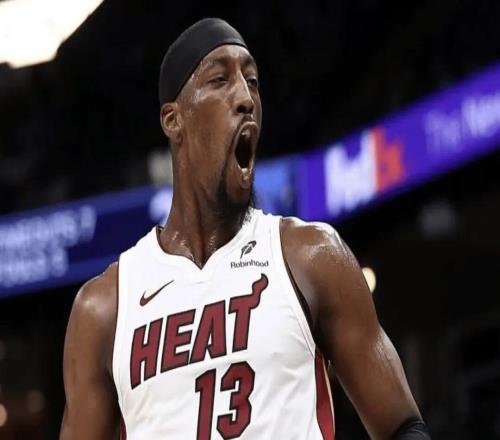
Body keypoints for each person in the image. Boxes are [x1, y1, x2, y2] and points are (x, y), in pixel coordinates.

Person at [60, 18, 431, 440]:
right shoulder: (105, 307)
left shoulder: (310, 257)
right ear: (173, 120)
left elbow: (403, 426)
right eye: (219, 80)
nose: (245, 98)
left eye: (252, 82)